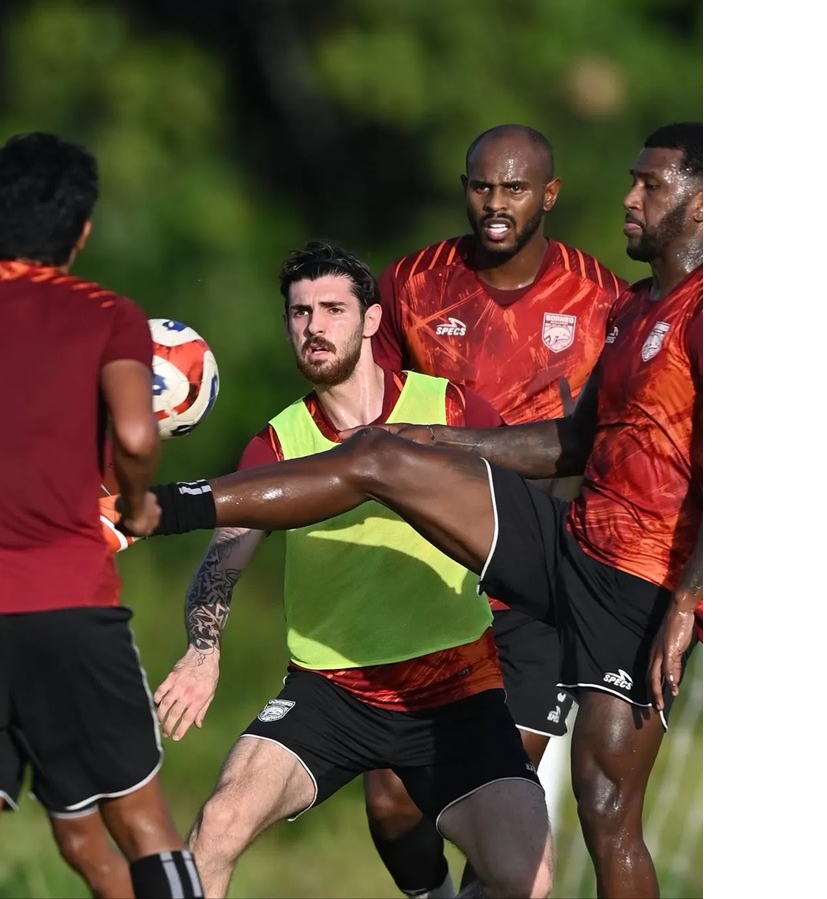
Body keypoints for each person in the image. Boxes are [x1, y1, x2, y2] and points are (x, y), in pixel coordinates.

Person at [135, 120, 703, 899]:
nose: (629, 196)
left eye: (649, 183)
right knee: (267, 817)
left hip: (589, 594)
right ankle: (156, 508)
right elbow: (572, 441)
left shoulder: (654, 304)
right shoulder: (635, 306)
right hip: (475, 600)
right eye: (301, 313)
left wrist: (692, 593)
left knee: (581, 826)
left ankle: (153, 506)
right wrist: (204, 646)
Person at [150, 240, 554, 899]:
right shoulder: (277, 443)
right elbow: (223, 557)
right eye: (299, 312)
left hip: (454, 690)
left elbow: (524, 521)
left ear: (370, 321)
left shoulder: (454, 411)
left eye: (332, 308)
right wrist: (202, 646)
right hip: (328, 690)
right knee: (217, 825)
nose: (314, 326)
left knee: (527, 877)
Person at [368, 123, 629, 898]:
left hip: (537, 579)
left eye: (513, 188)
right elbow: (373, 422)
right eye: (481, 185)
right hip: (426, 575)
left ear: (547, 195)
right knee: (390, 798)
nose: (494, 203)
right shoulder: (411, 283)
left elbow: (605, 438)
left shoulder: (602, 298)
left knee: (496, 795)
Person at [0, 132, 204, 899]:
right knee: (143, 824)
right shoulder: (108, 313)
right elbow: (137, 433)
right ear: (81, 231)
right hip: (68, 602)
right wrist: (138, 501)